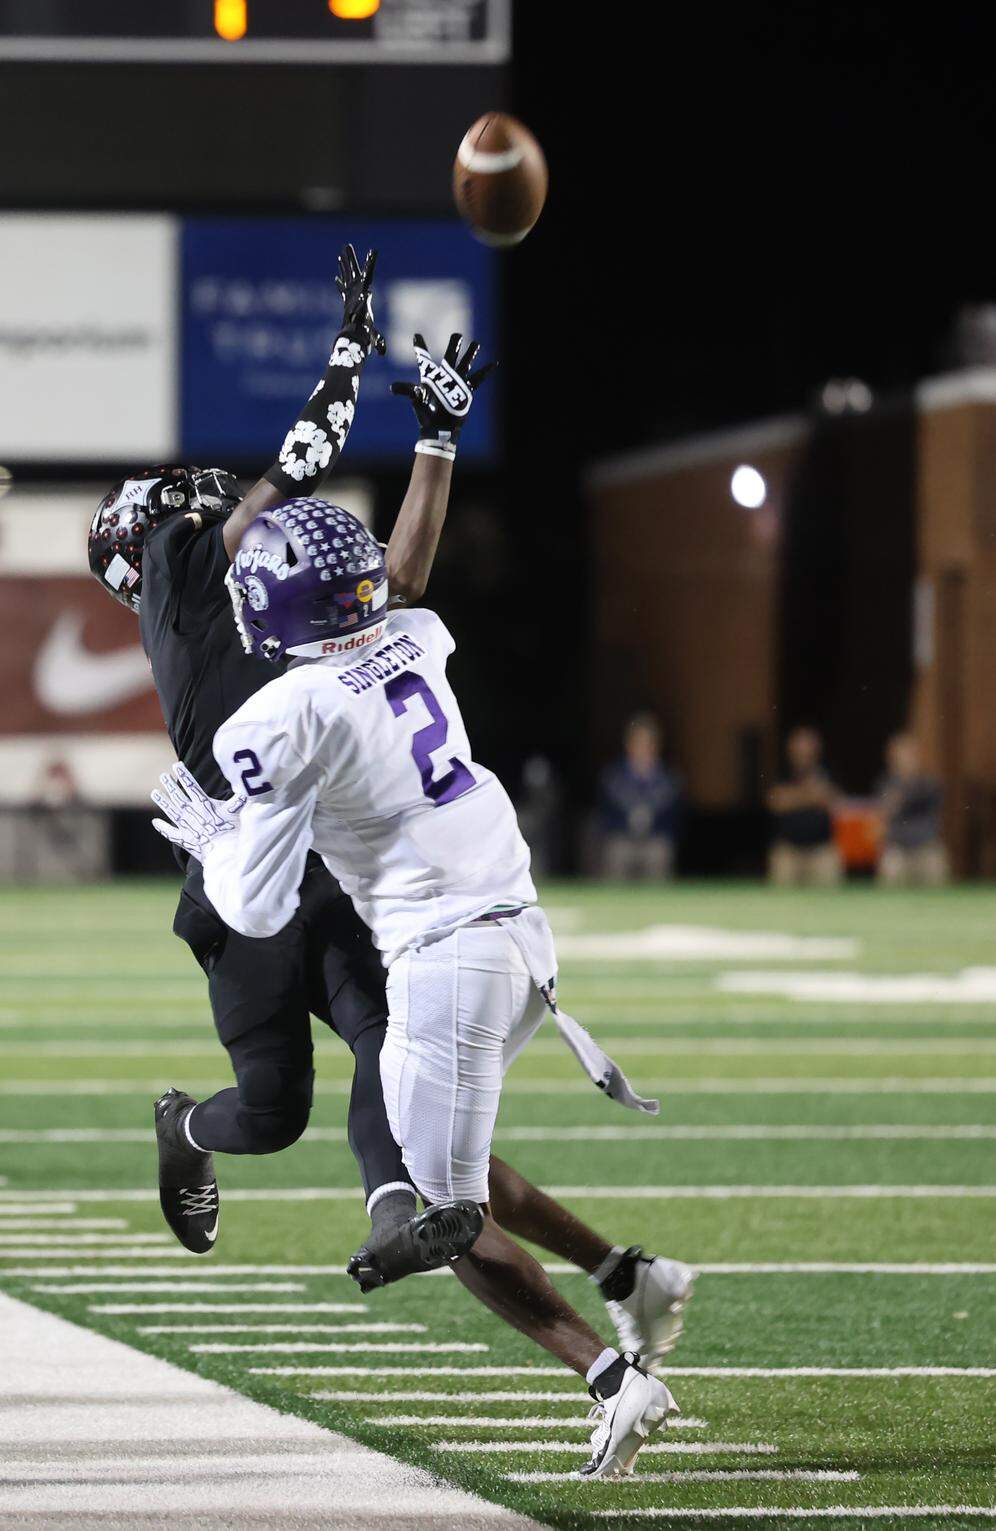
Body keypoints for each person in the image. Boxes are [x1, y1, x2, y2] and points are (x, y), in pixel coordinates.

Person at [89, 253, 693, 1384]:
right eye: (197, 506)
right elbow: (301, 465)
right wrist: (350, 354)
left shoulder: (290, 606)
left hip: (334, 850)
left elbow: (396, 587)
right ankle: (194, 1126)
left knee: (400, 1073)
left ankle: (447, 1242)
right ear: (154, 543)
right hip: (247, 854)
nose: (224, 505)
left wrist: (430, 440)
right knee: (273, 1112)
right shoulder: (183, 572)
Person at [151, 492, 692, 1479]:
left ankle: (617, 1380)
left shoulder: (283, 712)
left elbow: (260, 907)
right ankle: (633, 1275)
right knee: (452, 1164)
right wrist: (434, 455)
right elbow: (394, 591)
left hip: (447, 962)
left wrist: (218, 839)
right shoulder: (417, 637)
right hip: (521, 939)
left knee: (444, 1219)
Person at [596, 714, 681, 880]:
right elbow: (603, 816)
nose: (643, 748)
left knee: (659, 853)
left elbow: (676, 821)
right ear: (629, 745)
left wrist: (652, 823)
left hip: (654, 840)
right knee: (616, 853)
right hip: (622, 838)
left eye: (648, 743)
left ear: (656, 746)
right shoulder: (612, 777)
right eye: (638, 743)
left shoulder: (669, 779)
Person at [766, 725, 843, 885]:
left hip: (821, 849)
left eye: (808, 745)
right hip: (789, 849)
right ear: (790, 748)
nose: (804, 751)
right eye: (799, 745)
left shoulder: (827, 771)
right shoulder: (782, 772)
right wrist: (810, 795)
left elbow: (834, 802)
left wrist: (794, 797)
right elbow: (776, 802)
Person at [876, 733, 948, 885]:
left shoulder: (928, 782)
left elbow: (927, 796)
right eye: (900, 754)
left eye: (909, 753)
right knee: (890, 877)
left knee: (937, 883)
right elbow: (885, 811)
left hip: (925, 847)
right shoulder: (887, 784)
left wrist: (906, 784)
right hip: (898, 849)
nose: (905, 758)